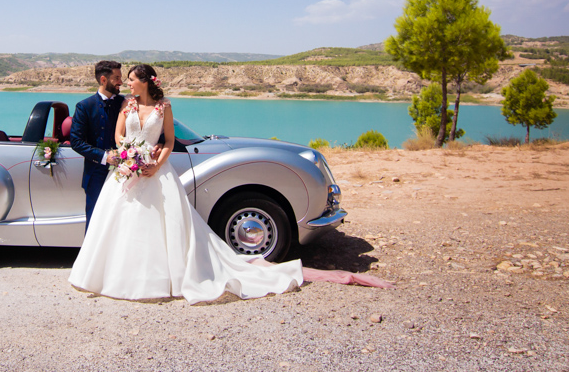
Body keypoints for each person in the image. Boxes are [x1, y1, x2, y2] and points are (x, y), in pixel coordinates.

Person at [69, 63, 391, 304]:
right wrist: (128, 157)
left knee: (163, 228)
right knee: (121, 227)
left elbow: (168, 141)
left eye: (131, 79)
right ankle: (118, 277)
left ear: (145, 82)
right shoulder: (126, 106)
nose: (127, 83)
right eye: (124, 80)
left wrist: (155, 164)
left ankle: (162, 278)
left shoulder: (164, 108)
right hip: (125, 172)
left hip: (156, 173)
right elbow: (118, 137)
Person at [68, 60, 124, 229]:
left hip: (124, 173)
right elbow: (76, 142)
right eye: (117, 77)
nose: (121, 81)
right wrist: (105, 157)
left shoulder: (125, 103)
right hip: (95, 175)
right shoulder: (84, 106)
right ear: (103, 80)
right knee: (94, 224)